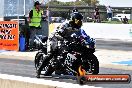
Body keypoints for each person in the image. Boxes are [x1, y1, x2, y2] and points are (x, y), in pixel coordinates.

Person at [36, 12, 91, 78]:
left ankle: (63, 67)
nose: (80, 22)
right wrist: (65, 39)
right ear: (74, 19)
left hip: (65, 38)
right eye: (78, 21)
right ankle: (39, 70)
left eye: (81, 21)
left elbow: (82, 34)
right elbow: (57, 34)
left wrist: (86, 39)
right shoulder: (65, 24)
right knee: (51, 53)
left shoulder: (78, 27)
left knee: (72, 49)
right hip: (54, 38)